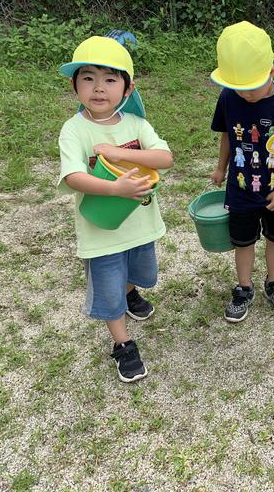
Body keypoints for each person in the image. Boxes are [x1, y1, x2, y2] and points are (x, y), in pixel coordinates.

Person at [57, 36, 173, 382]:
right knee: (109, 289)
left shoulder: (136, 124)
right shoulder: (74, 130)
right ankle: (123, 343)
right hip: (101, 230)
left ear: (127, 88)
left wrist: (120, 153)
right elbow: (73, 176)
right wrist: (114, 188)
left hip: (140, 226)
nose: (98, 87)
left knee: (140, 271)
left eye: (110, 79)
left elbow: (164, 158)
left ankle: (130, 292)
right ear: (74, 85)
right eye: (88, 78)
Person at [209, 21, 274, 322]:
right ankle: (244, 288)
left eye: (251, 88)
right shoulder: (229, 97)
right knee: (242, 241)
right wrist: (221, 167)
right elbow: (227, 134)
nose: (244, 95)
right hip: (242, 187)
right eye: (238, 88)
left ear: (272, 72)